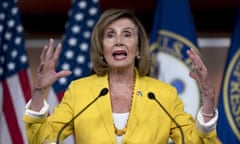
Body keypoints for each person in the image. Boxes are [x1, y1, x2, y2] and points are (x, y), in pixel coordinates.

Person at [23, 9, 218, 144]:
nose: (118, 41)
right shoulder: (80, 92)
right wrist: (39, 91)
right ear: (101, 48)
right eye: (110, 35)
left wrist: (208, 100)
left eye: (127, 34)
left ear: (139, 47)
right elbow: (41, 140)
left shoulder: (162, 95)